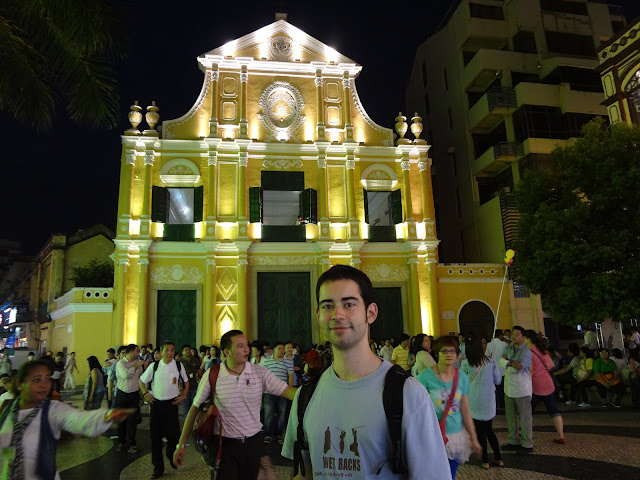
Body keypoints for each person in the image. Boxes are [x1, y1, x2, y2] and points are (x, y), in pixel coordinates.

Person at [282, 264, 451, 479]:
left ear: (370, 313)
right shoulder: (305, 396)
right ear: (317, 315)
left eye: (349, 304)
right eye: (327, 306)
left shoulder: (408, 394)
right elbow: (305, 474)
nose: (337, 314)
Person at [173, 329, 297, 480]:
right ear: (227, 352)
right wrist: (181, 444)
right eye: (239, 346)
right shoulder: (213, 374)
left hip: (252, 444)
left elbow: (287, 391)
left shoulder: (260, 373)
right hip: (224, 446)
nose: (246, 349)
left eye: (246, 345)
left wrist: (314, 394)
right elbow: (194, 409)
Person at [0, 359, 132, 479]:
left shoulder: (52, 409)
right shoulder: (5, 408)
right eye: (36, 380)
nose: (44, 385)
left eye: (47, 379)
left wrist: (105, 416)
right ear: (19, 384)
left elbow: (78, 419)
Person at [419, 336, 481, 478]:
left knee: (450, 475)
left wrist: (474, 438)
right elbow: (418, 409)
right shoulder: (425, 377)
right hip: (432, 435)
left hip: (455, 437)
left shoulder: (461, 378)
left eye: (452, 351)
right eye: (444, 351)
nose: (449, 355)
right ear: (437, 353)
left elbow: (465, 410)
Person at [140, 341, 189, 479]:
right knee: (155, 438)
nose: (169, 353)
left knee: (174, 436)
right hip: (156, 405)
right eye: (166, 350)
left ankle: (171, 454)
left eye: (172, 350)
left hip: (172, 405)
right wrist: (145, 394)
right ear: (161, 352)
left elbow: (186, 382)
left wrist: (184, 395)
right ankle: (158, 468)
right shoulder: (154, 366)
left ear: (174, 352)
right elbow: (142, 381)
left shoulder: (178, 365)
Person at [460, 336, 502, 470]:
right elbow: (498, 381)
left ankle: (485, 460)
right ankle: (498, 458)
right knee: (489, 430)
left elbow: (462, 382)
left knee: (480, 432)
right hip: (488, 402)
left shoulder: (466, 363)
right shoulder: (491, 361)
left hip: (473, 402)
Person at [524, 330, 565, 444]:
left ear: (528, 339)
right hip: (548, 384)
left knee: (529, 411)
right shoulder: (543, 351)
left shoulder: (529, 352)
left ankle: (526, 434)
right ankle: (561, 436)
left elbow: (530, 371)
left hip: (535, 385)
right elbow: (551, 365)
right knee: (554, 410)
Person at [498, 326, 533, 454]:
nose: (513, 336)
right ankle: (513, 440)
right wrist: (509, 363)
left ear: (523, 337)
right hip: (509, 388)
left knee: (524, 417)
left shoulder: (526, 352)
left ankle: (527, 443)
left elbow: (519, 366)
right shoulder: (508, 348)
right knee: (511, 416)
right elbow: (500, 360)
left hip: (522, 389)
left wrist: (507, 362)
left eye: (517, 334)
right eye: (512, 334)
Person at [260, 341, 294, 443]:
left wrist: (289, 389)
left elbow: (290, 375)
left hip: (283, 391)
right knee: (268, 413)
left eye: (283, 349)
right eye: (279, 348)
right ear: (273, 350)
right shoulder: (267, 361)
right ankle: (268, 434)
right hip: (269, 391)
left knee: (282, 413)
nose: (282, 351)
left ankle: (279, 434)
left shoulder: (288, 361)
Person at [115, 344, 144, 453]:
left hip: (134, 395)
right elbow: (125, 375)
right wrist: (136, 366)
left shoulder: (138, 363)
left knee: (132, 421)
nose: (138, 353)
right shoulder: (120, 363)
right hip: (122, 395)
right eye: (137, 351)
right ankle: (121, 442)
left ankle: (132, 443)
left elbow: (140, 377)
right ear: (131, 352)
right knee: (121, 420)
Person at [485, 329, 508, 410]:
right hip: (503, 369)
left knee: (497, 389)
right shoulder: (504, 344)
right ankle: (503, 405)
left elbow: (487, 357)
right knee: (504, 389)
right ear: (500, 335)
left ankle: (498, 405)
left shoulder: (489, 345)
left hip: (493, 369)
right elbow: (507, 356)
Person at [179, 344, 200, 417]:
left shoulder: (195, 360)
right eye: (185, 350)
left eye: (189, 350)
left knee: (193, 407)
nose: (188, 351)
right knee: (185, 408)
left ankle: (193, 425)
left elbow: (199, 371)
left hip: (194, 386)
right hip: (184, 389)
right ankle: (186, 425)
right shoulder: (179, 362)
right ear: (182, 352)